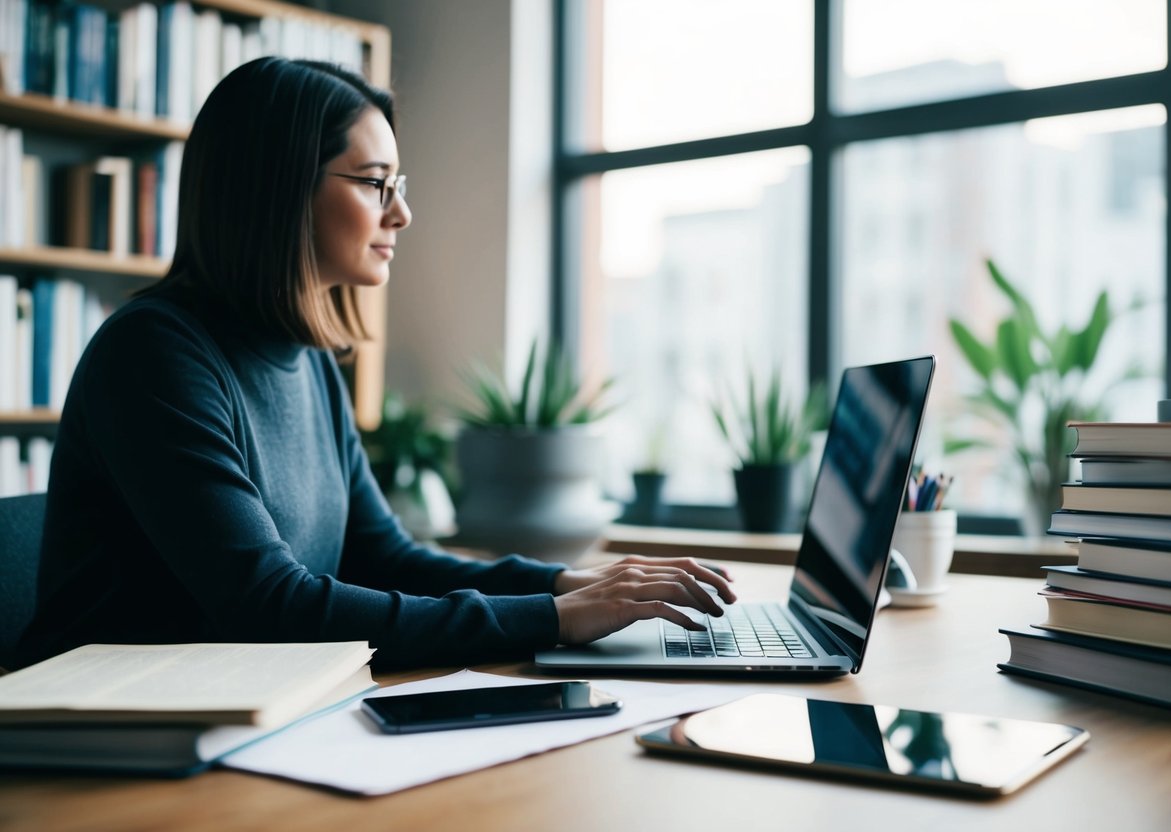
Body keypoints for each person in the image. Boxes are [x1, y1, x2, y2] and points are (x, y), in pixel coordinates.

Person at [16, 58, 735, 670]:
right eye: (374, 183)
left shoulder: (310, 362)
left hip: (243, 707)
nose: (402, 215)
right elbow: (265, 603)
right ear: (281, 186)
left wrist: (566, 585)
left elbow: (382, 555)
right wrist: (552, 619)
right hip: (108, 741)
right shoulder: (155, 355)